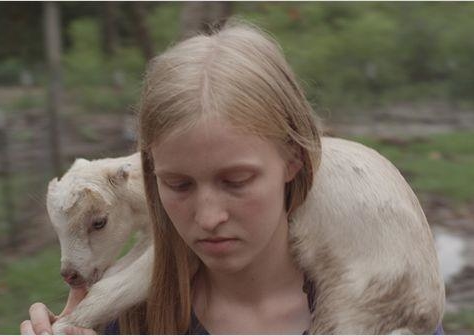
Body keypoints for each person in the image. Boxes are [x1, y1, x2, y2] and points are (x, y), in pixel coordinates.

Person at [21, 20, 444, 335]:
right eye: (179, 184)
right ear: (150, 175)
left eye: (236, 181)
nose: (207, 218)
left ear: (294, 160)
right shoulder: (131, 322)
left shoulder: (392, 318)